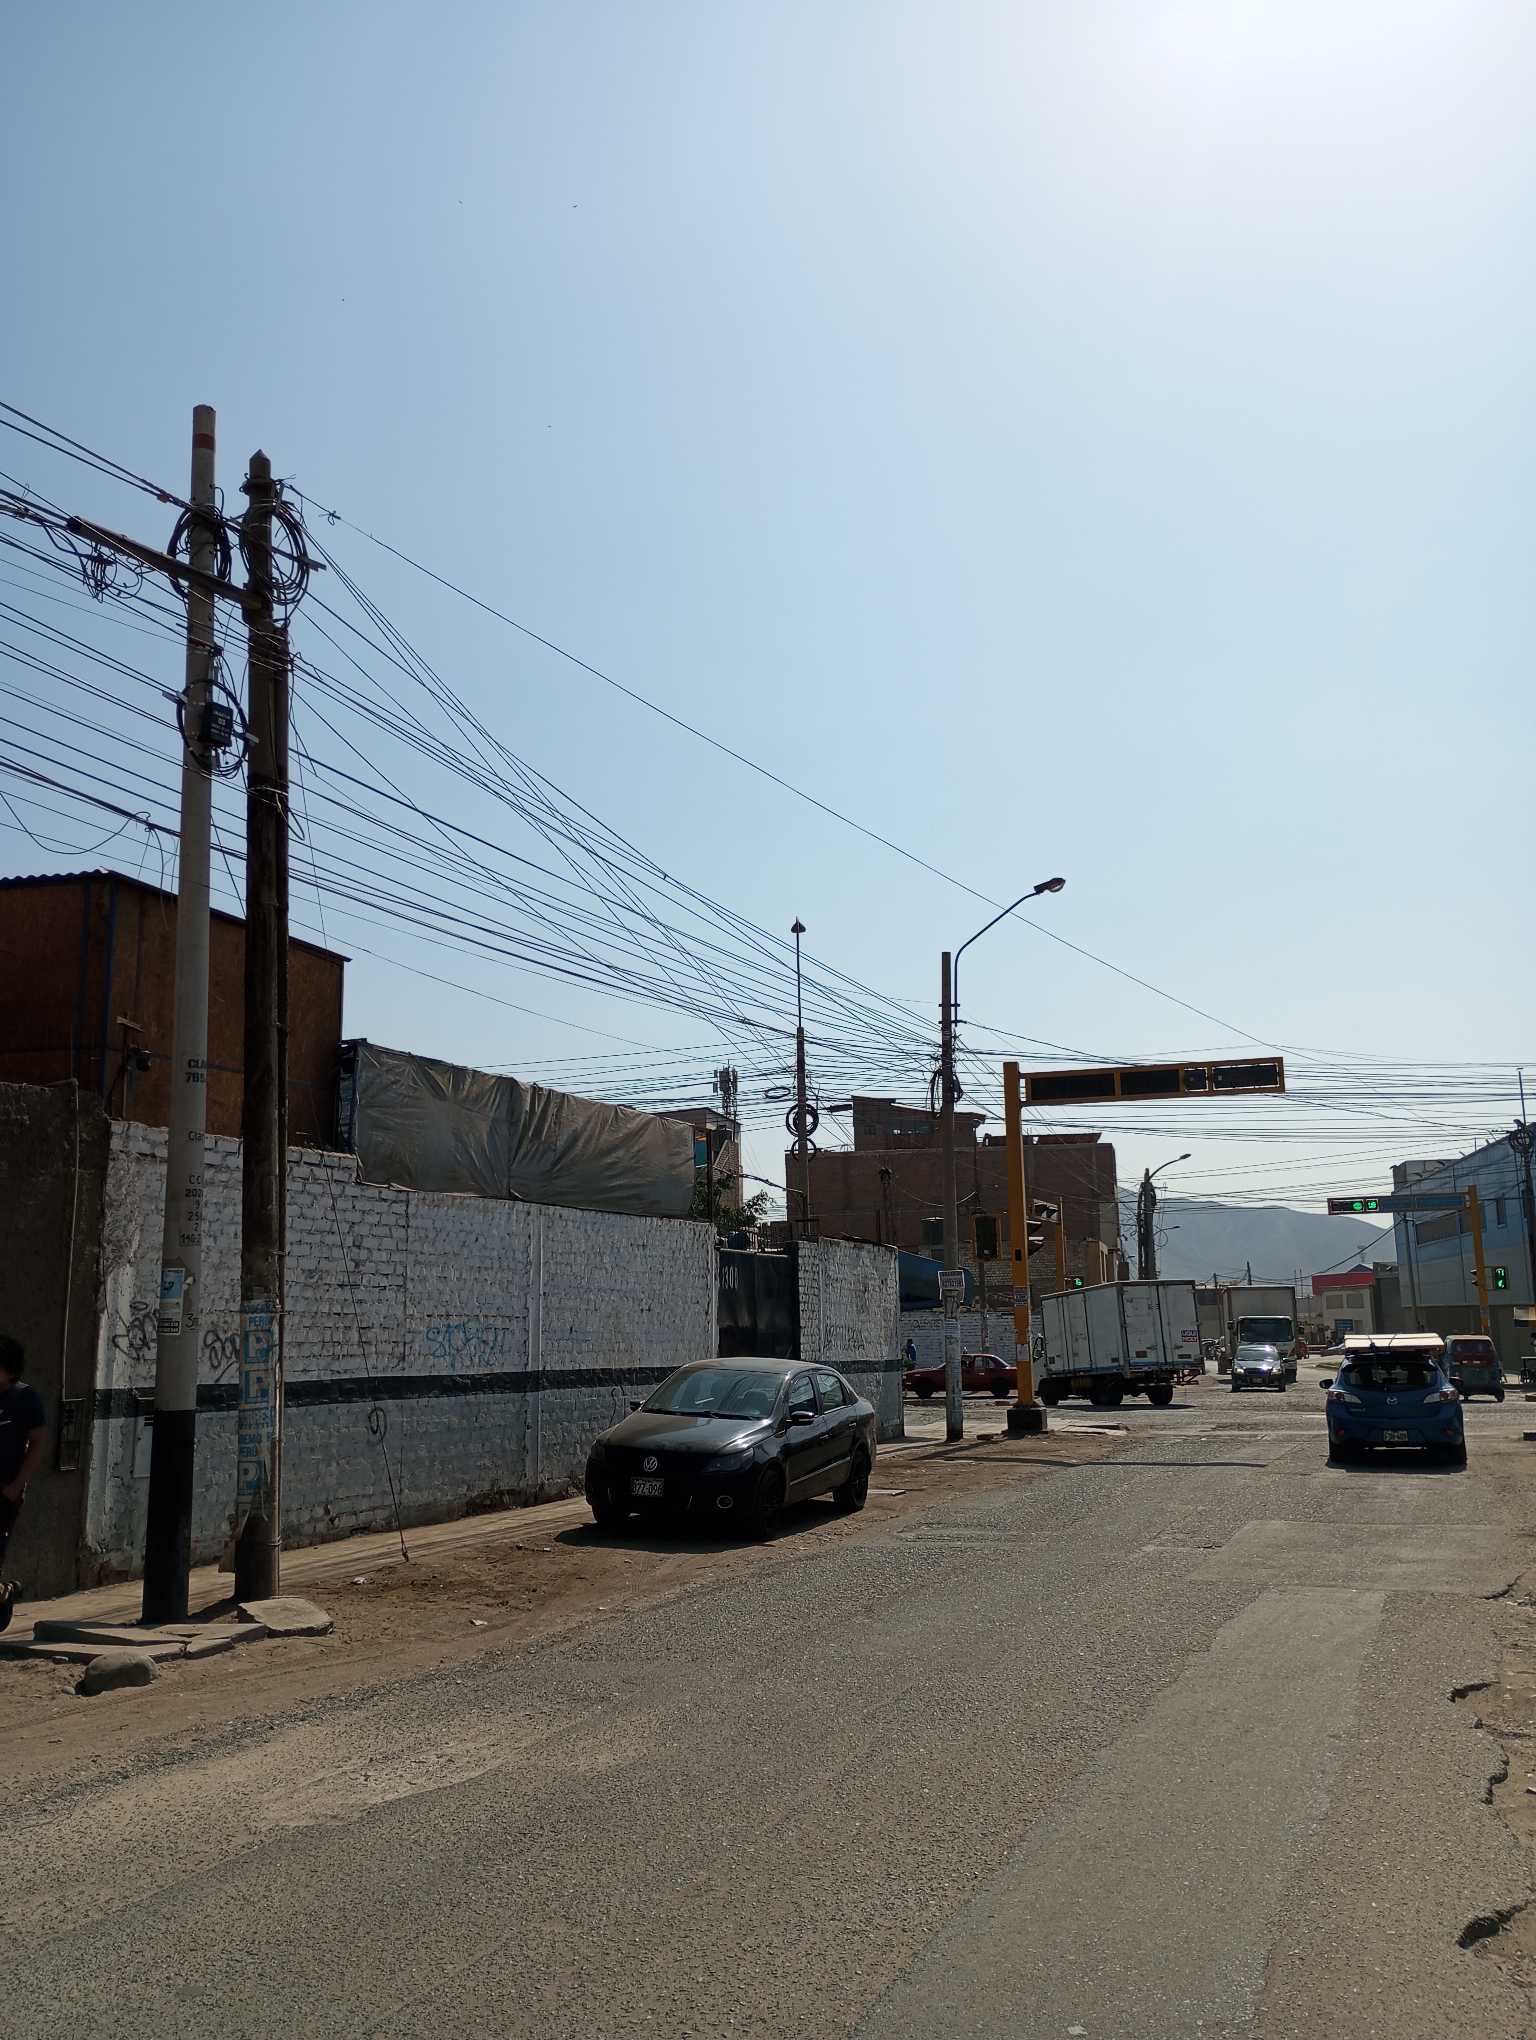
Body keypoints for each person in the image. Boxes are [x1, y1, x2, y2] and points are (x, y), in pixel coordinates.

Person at [0, 1334, 47, 1634]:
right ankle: (4, 1591)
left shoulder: (23, 1398)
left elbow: (37, 1443)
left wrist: (16, 1486)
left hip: (5, 1492)